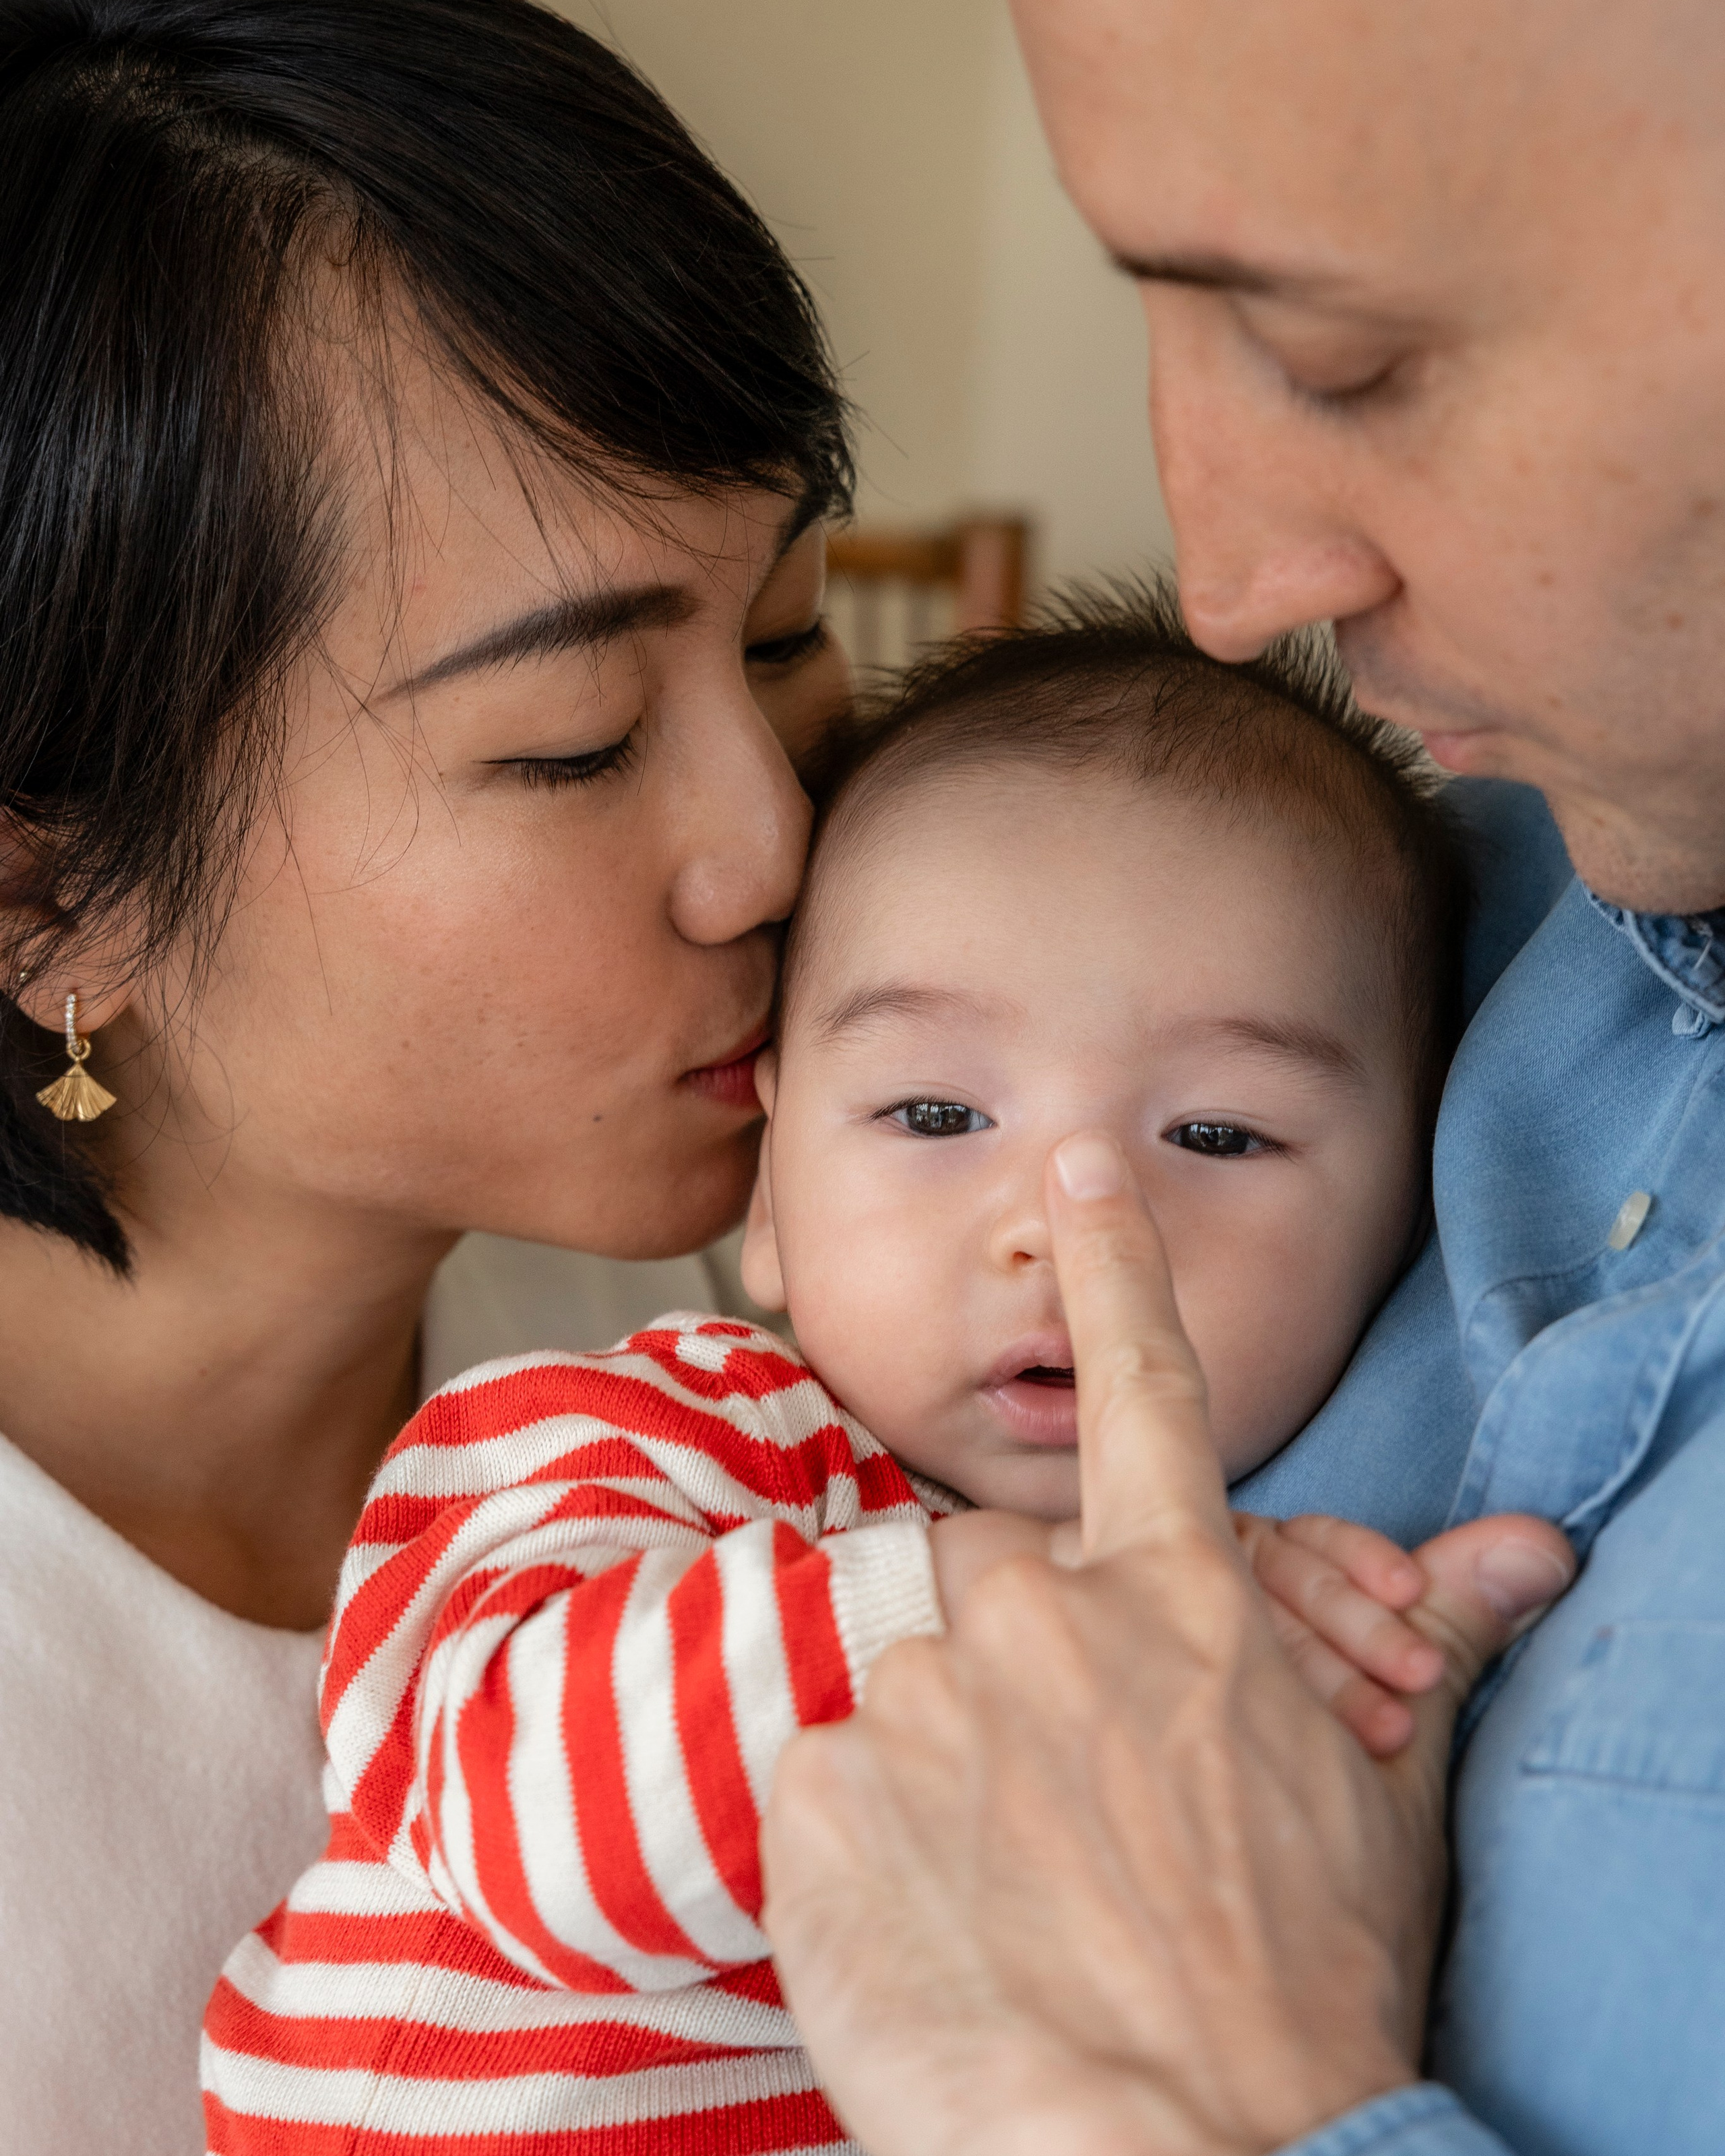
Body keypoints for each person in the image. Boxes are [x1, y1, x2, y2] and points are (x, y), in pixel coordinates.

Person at [757, 4, 1725, 2155]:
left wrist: (1238, 2099)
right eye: (934, 1116)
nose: (1238, 586)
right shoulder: (1467, 880)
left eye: (1350, 358)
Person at [202, 594, 1536, 2152]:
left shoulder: (1284, 1561)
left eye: (1218, 1135)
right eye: (931, 1116)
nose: (1058, 1229)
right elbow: (523, 1824)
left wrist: (1393, 1673)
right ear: (769, 1187)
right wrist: (961, 1593)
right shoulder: (648, 1438)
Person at [0, 1, 854, 2148]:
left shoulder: (742, 1360)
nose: (771, 842)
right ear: (50, 907)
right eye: (572, 740)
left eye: (785, 634)